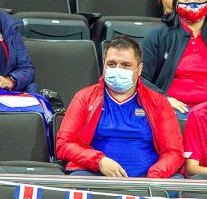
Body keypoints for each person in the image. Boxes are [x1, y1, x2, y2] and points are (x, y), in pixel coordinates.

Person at [56, 35, 184, 178]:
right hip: (94, 175)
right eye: (111, 64)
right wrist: (99, 161)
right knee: (78, 181)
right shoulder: (84, 97)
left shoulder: (159, 102)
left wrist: (154, 177)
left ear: (139, 69)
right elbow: (64, 144)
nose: (118, 69)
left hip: (148, 181)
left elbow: (174, 153)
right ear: (104, 65)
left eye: (126, 65)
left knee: (177, 184)